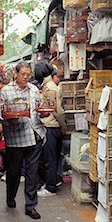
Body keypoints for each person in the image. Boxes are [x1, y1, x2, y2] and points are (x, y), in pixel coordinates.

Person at [0, 61, 46, 220]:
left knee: (32, 173)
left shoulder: (34, 90)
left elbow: (40, 109)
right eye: (22, 74)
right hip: (15, 139)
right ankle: (10, 196)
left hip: (35, 135)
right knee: (13, 173)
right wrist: (8, 121)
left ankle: (30, 206)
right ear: (15, 74)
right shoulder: (5, 91)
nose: (26, 77)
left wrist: (44, 113)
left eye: (28, 74)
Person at [38, 67, 66, 197]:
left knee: (50, 158)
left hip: (51, 126)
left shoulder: (50, 88)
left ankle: (51, 187)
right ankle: (49, 182)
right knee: (47, 157)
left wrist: (63, 126)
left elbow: (57, 110)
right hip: (49, 126)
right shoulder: (47, 86)